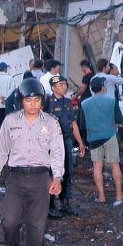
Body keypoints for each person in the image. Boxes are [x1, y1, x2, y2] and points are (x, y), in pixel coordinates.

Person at [0, 78, 64, 246]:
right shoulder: (10, 122)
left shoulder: (50, 123)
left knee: (36, 228)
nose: (32, 104)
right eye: (28, 100)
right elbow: (1, 150)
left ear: (42, 101)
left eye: (36, 100)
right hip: (16, 178)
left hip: (41, 179)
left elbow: (58, 151)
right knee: (9, 222)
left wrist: (57, 177)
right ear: (21, 101)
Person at [45, 74, 85, 218]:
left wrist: (80, 143)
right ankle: (49, 205)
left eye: (64, 84)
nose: (64, 87)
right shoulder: (47, 102)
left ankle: (65, 202)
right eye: (61, 85)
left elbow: (73, 124)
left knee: (67, 171)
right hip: (51, 142)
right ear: (53, 87)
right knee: (52, 172)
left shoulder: (68, 102)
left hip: (66, 141)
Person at [82, 77, 123, 205]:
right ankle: (119, 194)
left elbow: (82, 124)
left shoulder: (85, 104)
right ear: (103, 87)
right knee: (115, 165)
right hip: (109, 135)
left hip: (93, 137)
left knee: (97, 166)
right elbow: (119, 119)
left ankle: (101, 195)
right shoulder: (111, 101)